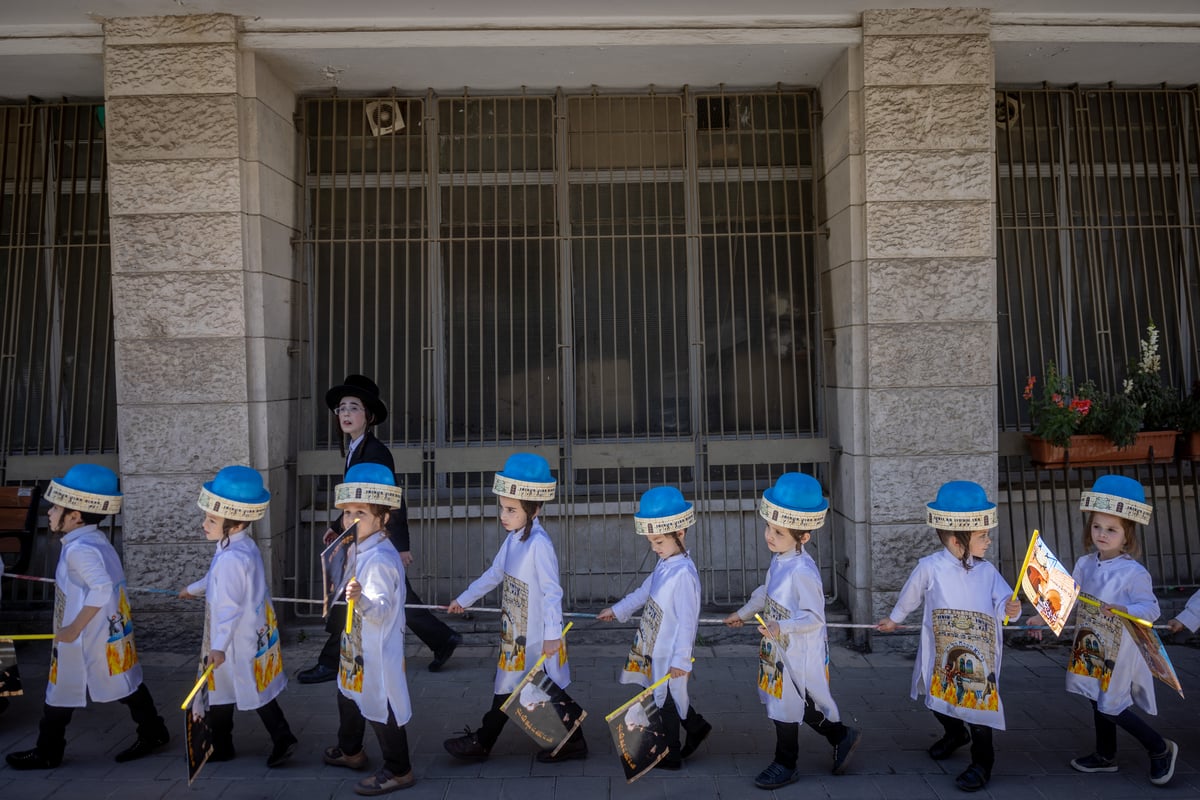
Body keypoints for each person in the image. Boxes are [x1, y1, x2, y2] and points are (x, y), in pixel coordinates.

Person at [5, 464, 170, 770]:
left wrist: (72, 629)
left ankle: (49, 751)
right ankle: (153, 730)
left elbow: (103, 589)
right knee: (116, 684)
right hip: (103, 633)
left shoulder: (80, 550)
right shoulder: (94, 542)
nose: (50, 514)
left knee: (78, 689)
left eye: (56, 508)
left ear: (76, 516)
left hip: (86, 637)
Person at [299, 375, 459, 684]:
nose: (345, 414)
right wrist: (338, 527)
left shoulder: (375, 452)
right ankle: (443, 639)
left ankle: (331, 661)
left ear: (369, 416)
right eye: (341, 408)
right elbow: (355, 498)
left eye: (354, 408)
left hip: (375, 538)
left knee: (351, 595)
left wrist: (400, 545)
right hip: (361, 534)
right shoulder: (355, 449)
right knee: (399, 598)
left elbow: (390, 501)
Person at [875, 480, 1019, 793]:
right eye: (982, 536)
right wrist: (894, 620)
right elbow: (910, 596)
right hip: (942, 651)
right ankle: (955, 734)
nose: (989, 541)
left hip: (979, 658)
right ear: (957, 540)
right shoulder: (930, 567)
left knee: (978, 708)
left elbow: (1004, 605)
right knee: (935, 695)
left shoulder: (989, 572)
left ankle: (982, 764)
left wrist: (1011, 607)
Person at [442, 453, 587, 763]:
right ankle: (573, 739)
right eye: (502, 508)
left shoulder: (539, 544)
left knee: (516, 687)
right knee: (529, 687)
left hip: (535, 634)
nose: (503, 516)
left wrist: (552, 635)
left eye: (511, 510)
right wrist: (463, 600)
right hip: (516, 632)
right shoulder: (514, 540)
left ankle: (483, 741)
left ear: (533, 509)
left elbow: (552, 593)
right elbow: (494, 574)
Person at [724, 473, 861, 789]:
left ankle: (786, 763)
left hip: (799, 651)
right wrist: (744, 613)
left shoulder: (802, 572)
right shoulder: (781, 559)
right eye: (769, 528)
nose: (770, 536)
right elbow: (766, 591)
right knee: (794, 701)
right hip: (778, 646)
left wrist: (780, 625)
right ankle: (841, 735)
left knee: (786, 705)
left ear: (804, 536)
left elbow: (814, 617)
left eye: (779, 532)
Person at [1059, 475, 1177, 786]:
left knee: (1111, 702)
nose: (1102, 533)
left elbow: (1151, 608)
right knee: (1094, 695)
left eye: (1111, 529)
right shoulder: (1085, 563)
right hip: (1090, 643)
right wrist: (1044, 618)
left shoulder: (1133, 572)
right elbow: (1068, 596)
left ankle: (1160, 748)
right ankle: (1105, 755)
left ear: (1127, 536)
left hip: (1120, 649)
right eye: (1097, 526)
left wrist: (1126, 611)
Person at [177, 466, 298, 768]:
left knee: (252, 690)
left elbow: (228, 607)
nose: (205, 524)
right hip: (243, 635)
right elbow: (214, 577)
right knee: (225, 688)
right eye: (207, 516)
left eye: (212, 519)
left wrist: (217, 646)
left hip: (235, 640)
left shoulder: (232, 557)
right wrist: (194, 589)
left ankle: (283, 738)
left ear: (237, 521)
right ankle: (222, 745)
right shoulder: (237, 545)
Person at [597, 486, 711, 770]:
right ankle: (695, 727)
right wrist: (617, 610)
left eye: (658, 541)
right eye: (651, 541)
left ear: (680, 533)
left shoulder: (684, 574)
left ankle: (671, 755)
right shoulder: (665, 564)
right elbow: (643, 592)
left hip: (671, 652)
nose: (654, 548)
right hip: (656, 648)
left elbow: (688, 622)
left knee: (667, 699)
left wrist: (682, 659)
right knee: (667, 695)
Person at [321, 462, 416, 795]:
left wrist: (359, 599)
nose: (351, 520)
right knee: (347, 693)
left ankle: (399, 769)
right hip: (356, 643)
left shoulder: (379, 559)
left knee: (380, 706)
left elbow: (381, 610)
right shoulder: (362, 546)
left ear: (384, 518)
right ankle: (351, 751)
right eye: (347, 512)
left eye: (360, 512)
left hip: (376, 649)